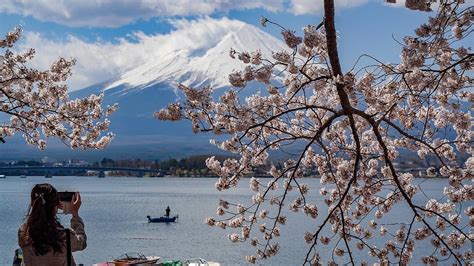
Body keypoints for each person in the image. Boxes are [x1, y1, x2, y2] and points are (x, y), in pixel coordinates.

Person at [18, 183, 86, 266]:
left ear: (33, 204)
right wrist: (75, 214)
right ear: (55, 206)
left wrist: (52, 206)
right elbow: (81, 243)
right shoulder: (65, 236)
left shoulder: (24, 233)